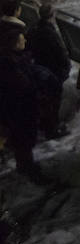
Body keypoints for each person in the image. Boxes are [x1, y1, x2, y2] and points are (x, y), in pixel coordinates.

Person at [0, 19, 62, 181]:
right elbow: (24, 87)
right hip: (18, 110)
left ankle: (25, 164)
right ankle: (28, 168)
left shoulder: (13, 60)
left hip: (18, 108)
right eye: (22, 40)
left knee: (23, 139)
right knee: (23, 140)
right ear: (14, 44)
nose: (25, 41)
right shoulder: (10, 66)